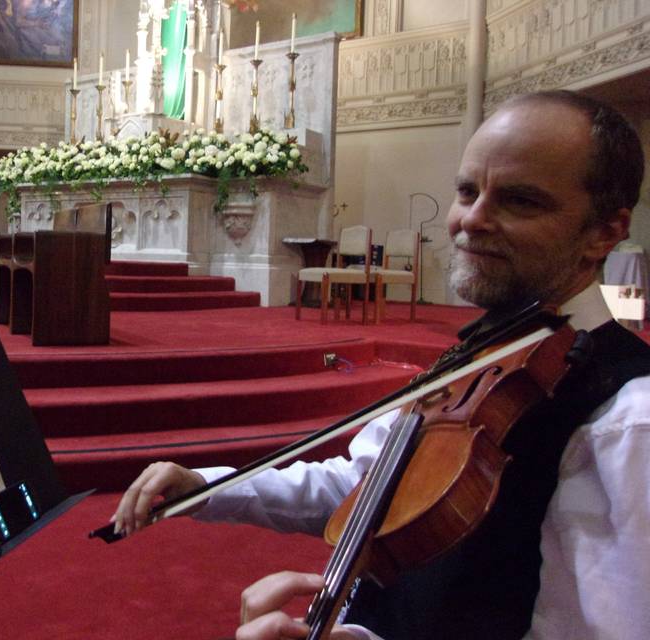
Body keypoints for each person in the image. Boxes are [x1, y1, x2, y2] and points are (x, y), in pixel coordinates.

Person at [110, 90, 650, 640]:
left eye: (521, 201)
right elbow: (366, 483)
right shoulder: (488, 354)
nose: (472, 220)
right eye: (467, 191)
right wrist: (207, 486)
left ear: (605, 231)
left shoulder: (628, 420)